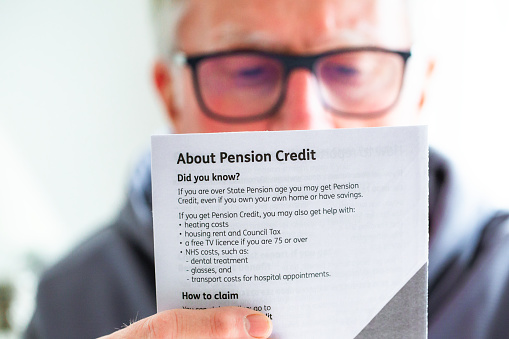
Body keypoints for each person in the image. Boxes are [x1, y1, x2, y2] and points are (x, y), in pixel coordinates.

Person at [25, 0, 509, 338]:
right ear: (171, 94)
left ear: (418, 88)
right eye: (246, 71)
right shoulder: (69, 304)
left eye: (352, 69)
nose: (304, 124)